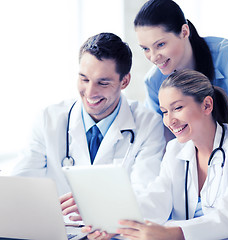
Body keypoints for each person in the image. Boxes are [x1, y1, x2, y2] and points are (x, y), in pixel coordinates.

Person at [84, 69, 228, 240]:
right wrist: (113, 222)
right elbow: (157, 199)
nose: (169, 120)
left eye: (177, 108)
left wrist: (171, 233)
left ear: (206, 105)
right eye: (164, 112)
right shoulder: (176, 150)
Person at [12, 32, 166, 198]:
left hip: (115, 224)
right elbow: (20, 187)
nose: (91, 92)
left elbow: (144, 196)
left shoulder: (148, 124)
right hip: (57, 223)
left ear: (125, 82)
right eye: (84, 79)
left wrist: (99, 206)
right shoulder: (48, 119)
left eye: (103, 83)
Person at [134, 0, 228, 137]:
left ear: (184, 32)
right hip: (190, 156)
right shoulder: (154, 82)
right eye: (146, 49)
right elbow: (160, 137)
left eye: (160, 44)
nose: (153, 58)